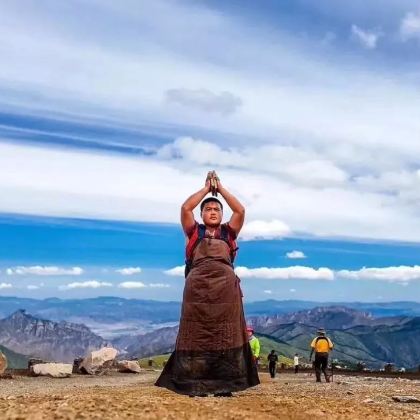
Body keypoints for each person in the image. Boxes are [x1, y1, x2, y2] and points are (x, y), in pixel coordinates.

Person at [155, 172, 260, 397]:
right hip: (197, 290)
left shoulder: (229, 232)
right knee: (195, 332)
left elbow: (240, 210)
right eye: (208, 210)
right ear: (202, 214)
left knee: (227, 333)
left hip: (226, 291)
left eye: (216, 210)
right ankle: (195, 384)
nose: (212, 212)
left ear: (222, 215)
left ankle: (226, 385)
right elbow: (185, 208)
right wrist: (205, 190)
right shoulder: (194, 231)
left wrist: (219, 188)